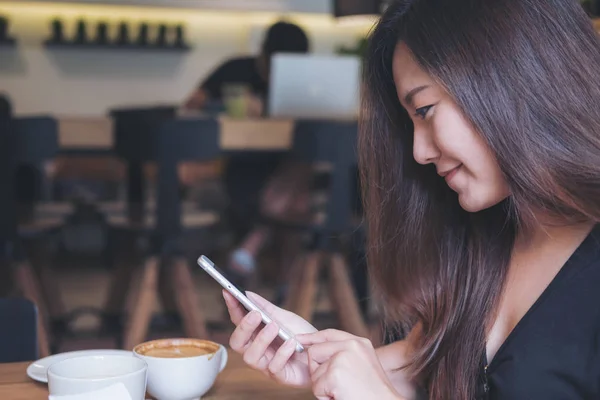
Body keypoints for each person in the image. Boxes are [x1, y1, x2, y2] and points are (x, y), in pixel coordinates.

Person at [222, 0, 600, 399]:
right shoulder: (495, 232)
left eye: (425, 109)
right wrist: (314, 356)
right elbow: (431, 362)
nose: (419, 151)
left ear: (512, 82)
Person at [184, 21, 312, 288]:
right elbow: (192, 104)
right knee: (298, 201)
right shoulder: (236, 69)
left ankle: (251, 249)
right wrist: (227, 107)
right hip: (240, 168)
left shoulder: (304, 83)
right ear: (263, 55)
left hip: (283, 170)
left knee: (300, 170)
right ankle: (283, 291)